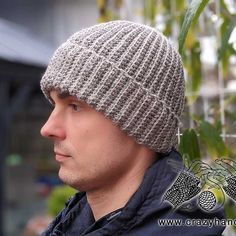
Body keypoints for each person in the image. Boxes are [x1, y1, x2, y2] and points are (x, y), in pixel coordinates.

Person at [40, 20, 225, 235]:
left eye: (74, 106)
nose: (48, 128)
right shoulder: (72, 222)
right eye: (55, 105)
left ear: (142, 121)